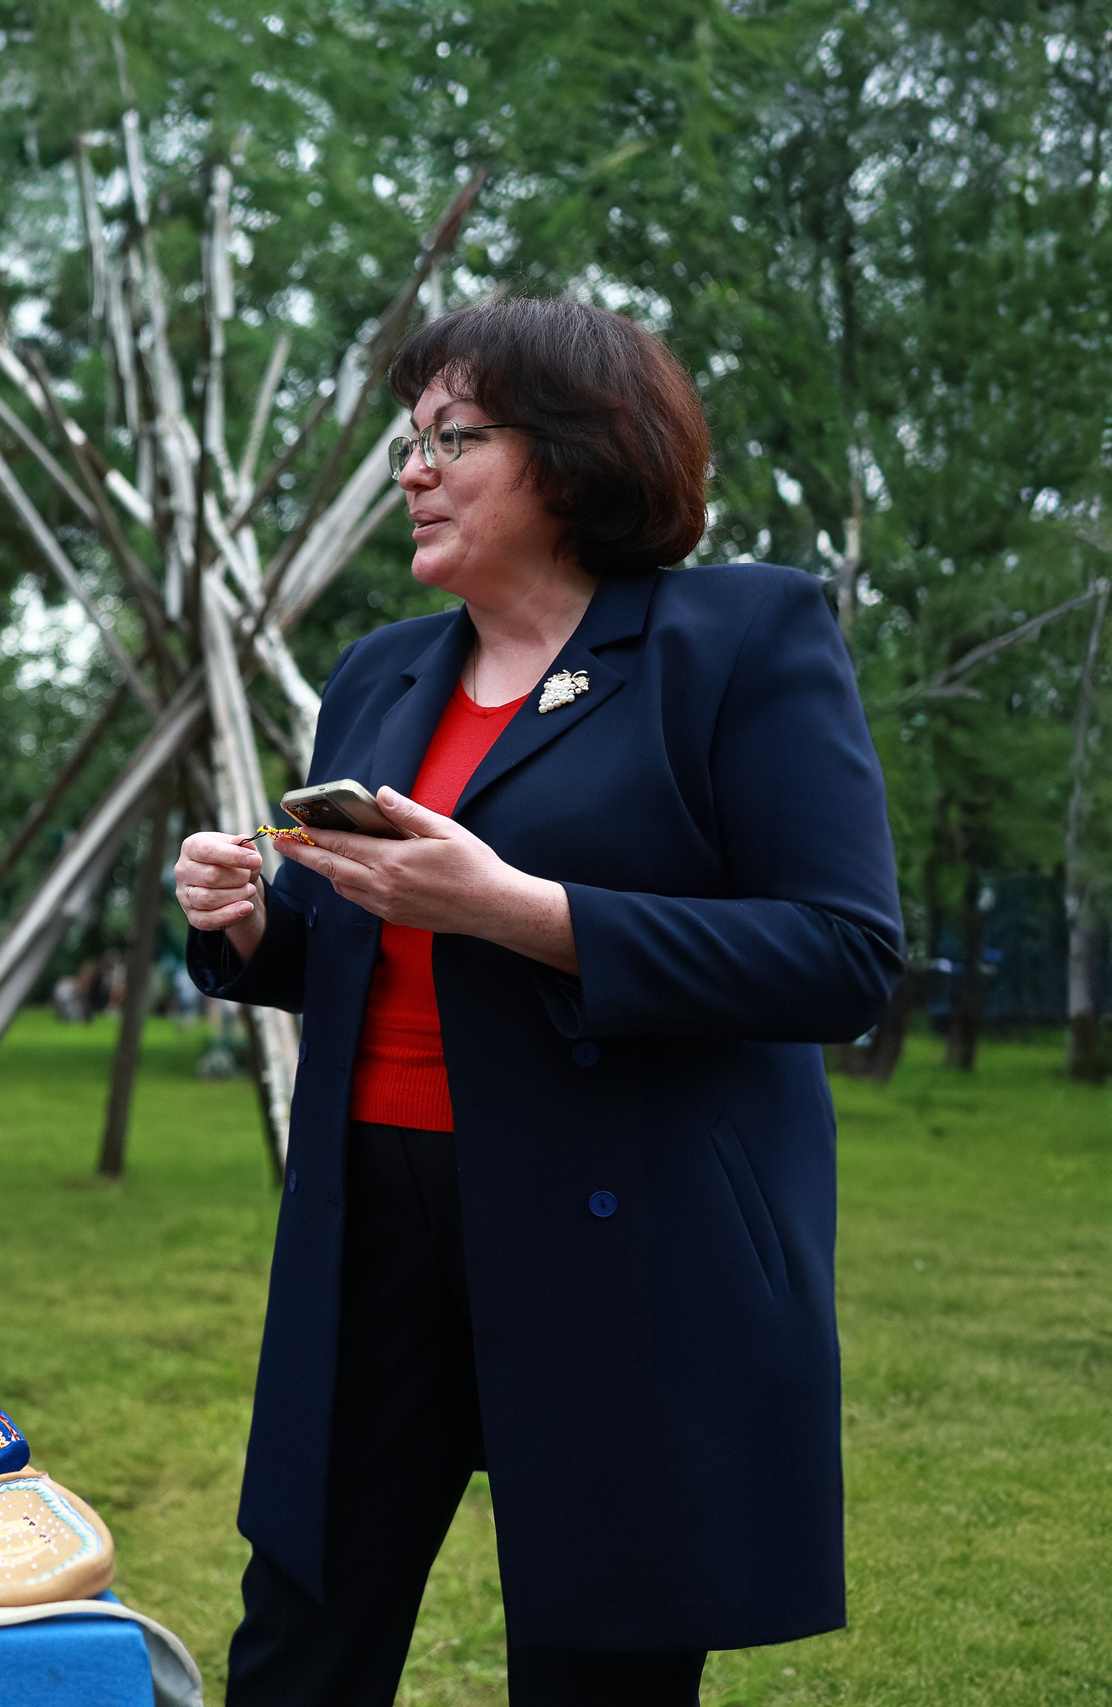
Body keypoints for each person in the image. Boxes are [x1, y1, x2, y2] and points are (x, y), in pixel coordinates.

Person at [172, 297, 902, 1705]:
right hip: (369, 1223)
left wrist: (521, 909)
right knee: (297, 1640)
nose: (412, 467)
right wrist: (254, 924)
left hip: (617, 1237)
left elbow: (841, 954)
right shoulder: (381, 672)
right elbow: (356, 935)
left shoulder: (737, 639)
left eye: (453, 435)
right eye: (409, 438)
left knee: (598, 1665)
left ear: (572, 452)